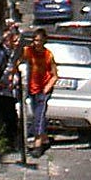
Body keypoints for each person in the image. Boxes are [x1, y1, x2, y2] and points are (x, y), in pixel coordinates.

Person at [22, 28, 58, 156]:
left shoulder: (48, 55)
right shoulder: (29, 51)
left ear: (44, 41)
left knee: (38, 116)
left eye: (39, 41)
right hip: (32, 88)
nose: (37, 43)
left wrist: (47, 87)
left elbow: (55, 75)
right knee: (38, 115)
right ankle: (45, 139)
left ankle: (37, 145)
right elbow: (19, 60)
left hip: (43, 90)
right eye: (35, 40)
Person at [0, 28, 20, 153]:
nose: (17, 43)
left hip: (7, 90)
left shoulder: (9, 52)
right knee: (7, 117)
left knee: (10, 117)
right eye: (15, 40)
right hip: (2, 91)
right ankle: (3, 144)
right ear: (8, 40)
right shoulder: (1, 52)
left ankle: (8, 142)